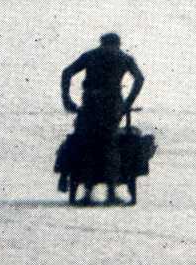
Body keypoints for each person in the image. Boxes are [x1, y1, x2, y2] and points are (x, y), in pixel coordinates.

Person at [61, 33, 145, 205]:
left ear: (102, 43)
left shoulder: (90, 55)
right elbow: (139, 78)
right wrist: (127, 103)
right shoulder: (124, 57)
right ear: (118, 43)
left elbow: (67, 72)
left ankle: (87, 193)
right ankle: (111, 192)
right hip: (112, 107)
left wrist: (67, 99)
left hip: (90, 104)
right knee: (110, 146)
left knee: (88, 145)